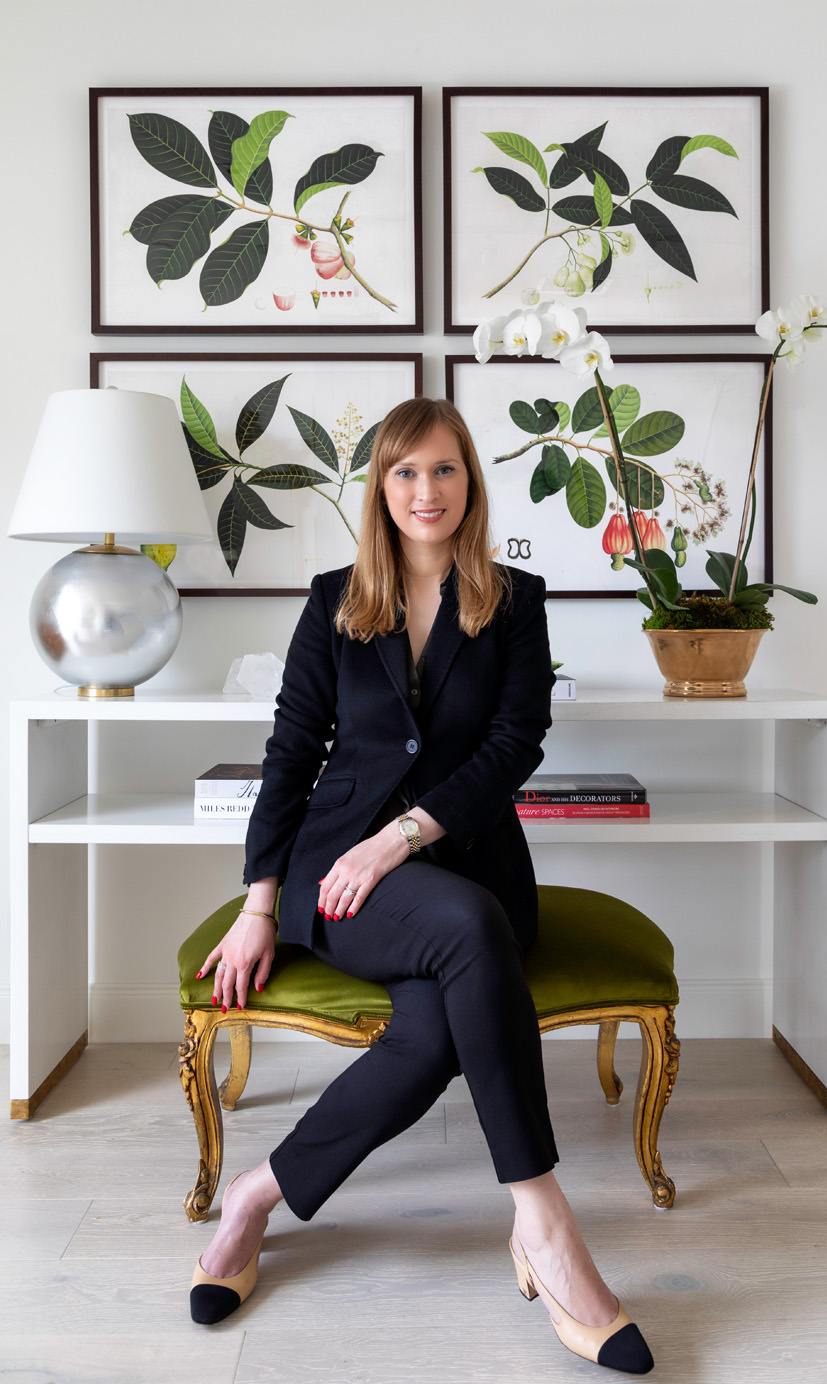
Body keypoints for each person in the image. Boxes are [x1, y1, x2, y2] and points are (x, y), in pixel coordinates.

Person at [190, 397, 653, 1375]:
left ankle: (256, 1195)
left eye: (442, 469)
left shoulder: (515, 599)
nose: (424, 490)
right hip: (338, 874)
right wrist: (262, 900)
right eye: (403, 472)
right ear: (380, 489)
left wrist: (402, 837)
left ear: (469, 481)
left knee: (441, 1012)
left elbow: (509, 745)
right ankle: (544, 1220)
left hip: (460, 863)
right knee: (466, 929)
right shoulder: (332, 600)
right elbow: (289, 755)